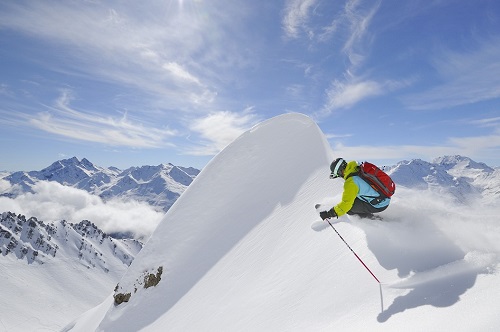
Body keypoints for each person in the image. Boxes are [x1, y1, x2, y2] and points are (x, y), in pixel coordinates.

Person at [319, 158, 390, 220]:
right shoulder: (356, 168)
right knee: (353, 200)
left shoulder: (350, 182)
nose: (340, 177)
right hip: (384, 197)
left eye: (338, 175)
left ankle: (373, 220)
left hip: (379, 204)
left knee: (350, 209)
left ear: (341, 171)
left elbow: (346, 204)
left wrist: (330, 214)